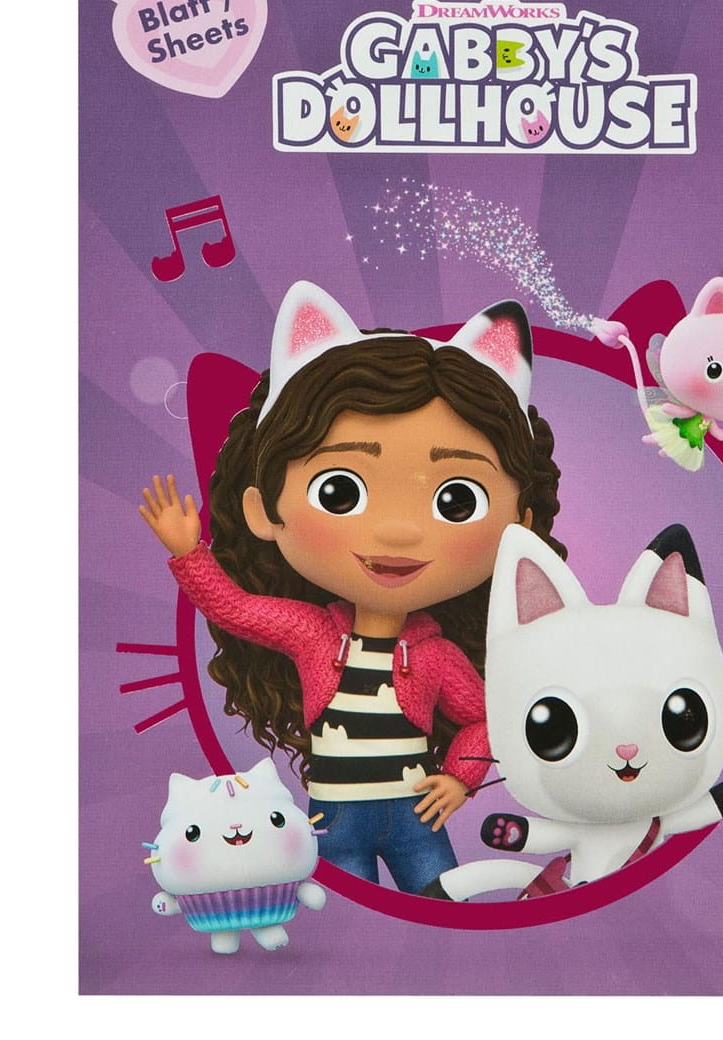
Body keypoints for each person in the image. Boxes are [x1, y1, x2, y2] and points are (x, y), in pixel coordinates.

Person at [139, 281, 565, 894]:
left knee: (442, 905)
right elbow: (233, 609)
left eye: (456, 500)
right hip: (335, 817)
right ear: (262, 510)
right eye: (340, 491)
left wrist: (460, 778)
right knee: (351, 916)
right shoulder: (310, 634)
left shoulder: (438, 657)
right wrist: (188, 554)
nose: (397, 531)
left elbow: (484, 722)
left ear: (518, 525)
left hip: (417, 817)